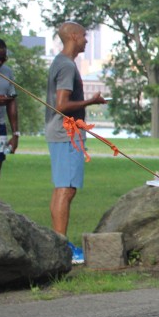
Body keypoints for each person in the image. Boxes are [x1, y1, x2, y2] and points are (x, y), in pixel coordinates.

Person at [46, 22, 106, 264]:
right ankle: (63, 248)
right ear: (72, 36)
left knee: (62, 187)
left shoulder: (61, 62)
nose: (86, 40)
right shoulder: (67, 66)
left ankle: (58, 243)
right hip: (66, 133)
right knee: (66, 188)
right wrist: (91, 102)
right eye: (83, 35)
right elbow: (61, 105)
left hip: (61, 133)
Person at [0, 39, 20, 181]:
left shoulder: (7, 72)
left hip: (0, 126)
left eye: (3, 58)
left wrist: (15, 134)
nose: (0, 62)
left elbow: (12, 101)